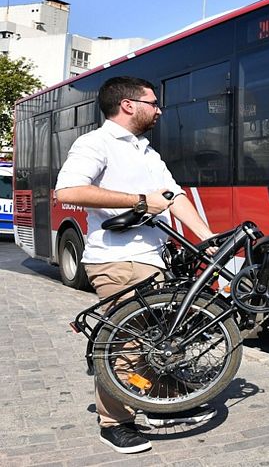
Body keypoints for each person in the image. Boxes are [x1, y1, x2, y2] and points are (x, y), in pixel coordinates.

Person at [56, 76, 217, 454]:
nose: (159, 109)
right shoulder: (95, 143)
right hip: (116, 260)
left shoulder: (144, 149)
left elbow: (172, 195)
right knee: (121, 343)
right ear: (128, 105)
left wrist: (206, 238)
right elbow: (68, 190)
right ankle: (114, 422)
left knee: (157, 340)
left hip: (150, 258)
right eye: (153, 102)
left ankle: (158, 404)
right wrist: (139, 200)